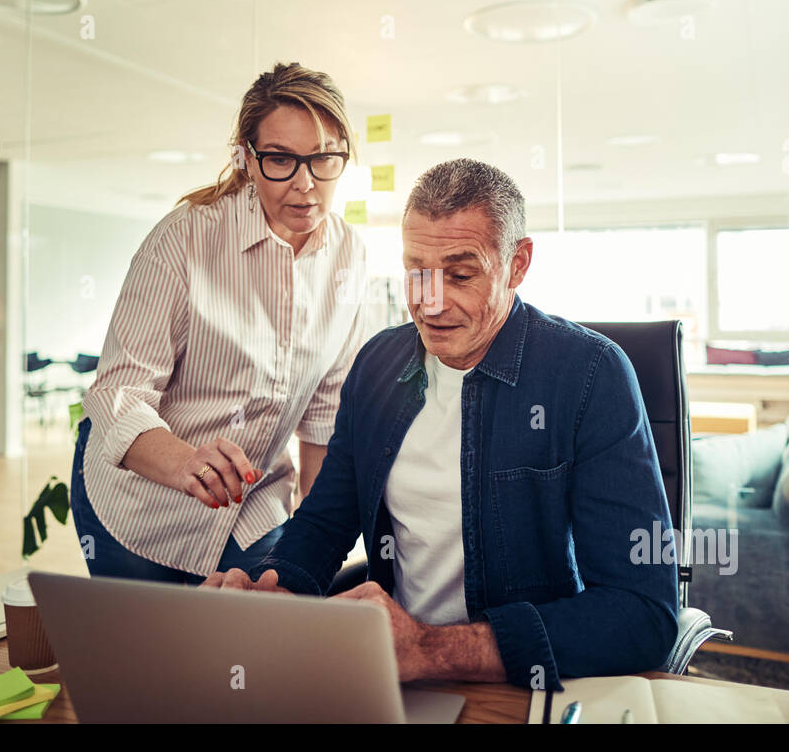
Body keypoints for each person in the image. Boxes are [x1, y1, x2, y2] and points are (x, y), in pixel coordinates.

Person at [203, 158, 679, 689]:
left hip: (524, 681)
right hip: (394, 675)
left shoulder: (591, 374)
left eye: (459, 274)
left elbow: (643, 613)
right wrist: (276, 590)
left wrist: (432, 648)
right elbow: (324, 522)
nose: (429, 303)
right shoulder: (378, 364)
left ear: (517, 264)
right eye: (417, 271)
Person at [71, 62, 369, 583]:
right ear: (246, 159)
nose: (305, 184)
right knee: (157, 658)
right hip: (141, 506)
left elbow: (324, 415)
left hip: (255, 504)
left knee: (253, 651)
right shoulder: (183, 239)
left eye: (323, 159)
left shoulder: (350, 256)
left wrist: (315, 543)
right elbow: (118, 392)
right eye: (279, 159)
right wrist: (187, 463)